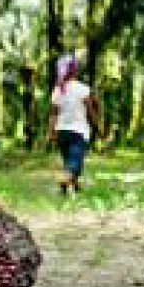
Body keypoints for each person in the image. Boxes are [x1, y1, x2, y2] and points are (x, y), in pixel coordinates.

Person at [46, 53, 101, 194]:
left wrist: (51, 132)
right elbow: (90, 111)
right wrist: (97, 125)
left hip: (61, 131)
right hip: (78, 131)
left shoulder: (58, 90)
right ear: (75, 70)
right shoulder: (83, 89)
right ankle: (65, 181)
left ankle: (74, 187)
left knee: (68, 161)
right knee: (76, 162)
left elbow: (53, 114)